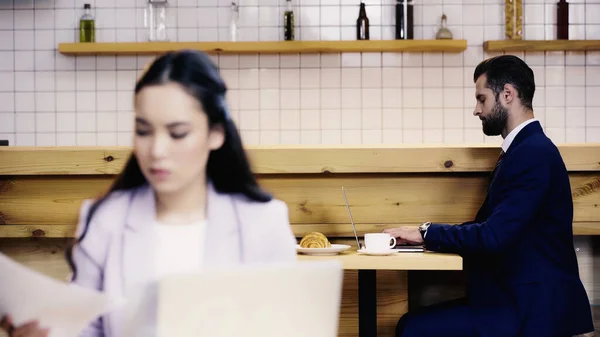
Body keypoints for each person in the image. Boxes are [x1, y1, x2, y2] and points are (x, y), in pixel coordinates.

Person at [0, 50, 297, 337]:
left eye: (177, 133)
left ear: (216, 133)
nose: (156, 151)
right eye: (143, 131)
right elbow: (85, 329)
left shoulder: (263, 222)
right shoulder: (105, 219)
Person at [384, 55, 594, 337]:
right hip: (517, 301)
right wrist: (422, 233)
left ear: (507, 94)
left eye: (481, 99)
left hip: (533, 311)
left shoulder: (532, 153)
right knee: (411, 325)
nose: (476, 110)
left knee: (412, 329)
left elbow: (493, 237)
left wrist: (425, 232)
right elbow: (493, 229)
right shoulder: (523, 150)